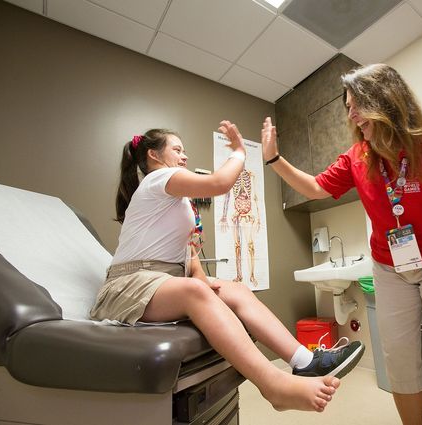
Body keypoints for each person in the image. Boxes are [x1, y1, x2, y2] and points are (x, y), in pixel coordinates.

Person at [261, 65, 422, 424]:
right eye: (348, 107)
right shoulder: (358, 156)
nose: (352, 114)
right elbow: (315, 187)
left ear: (385, 100)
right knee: (399, 360)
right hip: (389, 268)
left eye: (357, 103)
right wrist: (273, 159)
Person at [90, 121, 365, 413]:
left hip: (162, 283)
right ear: (154, 156)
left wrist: (202, 279)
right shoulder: (157, 179)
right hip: (128, 286)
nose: (184, 157)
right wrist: (238, 151)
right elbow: (220, 183)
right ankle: (273, 386)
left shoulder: (179, 201)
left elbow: (188, 251)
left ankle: (304, 361)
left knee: (235, 290)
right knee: (195, 291)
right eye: (177, 150)